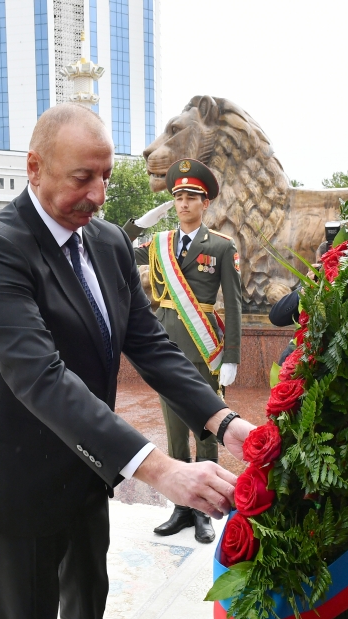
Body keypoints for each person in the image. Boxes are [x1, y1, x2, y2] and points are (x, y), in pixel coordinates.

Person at [0, 104, 254, 619]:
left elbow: (151, 345)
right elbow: (40, 379)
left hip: (87, 469)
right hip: (16, 483)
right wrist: (163, 470)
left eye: (106, 178)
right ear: (34, 167)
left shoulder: (108, 242)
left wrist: (226, 423)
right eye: (81, 178)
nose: (97, 196)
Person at [121, 158, 242, 543]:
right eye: (178, 197)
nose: (183, 204)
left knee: (206, 431)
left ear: (205, 203)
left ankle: (205, 510)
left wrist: (233, 356)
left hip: (206, 349)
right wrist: (139, 224)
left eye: (192, 197)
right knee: (175, 432)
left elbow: (234, 304)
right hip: (166, 346)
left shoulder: (221, 246)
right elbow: (119, 247)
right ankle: (181, 508)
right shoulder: (158, 244)